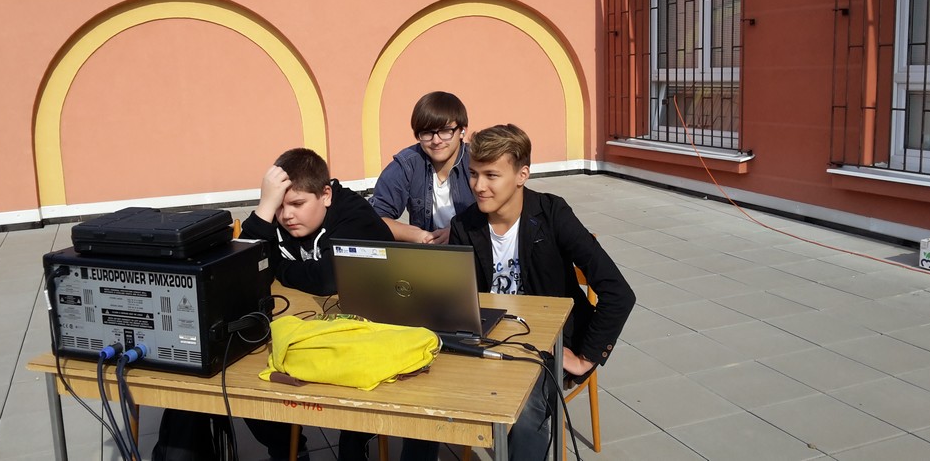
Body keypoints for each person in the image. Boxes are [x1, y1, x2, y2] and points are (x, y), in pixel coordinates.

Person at [449, 124, 636, 461]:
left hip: (545, 346)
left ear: (522, 175)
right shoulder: (464, 225)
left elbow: (618, 291)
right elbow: (456, 297)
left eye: (491, 175)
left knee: (525, 413)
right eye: (473, 174)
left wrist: (585, 357)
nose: (478, 186)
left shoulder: (551, 214)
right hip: (485, 341)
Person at [239, 147, 392, 461]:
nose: (287, 216)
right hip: (306, 325)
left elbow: (329, 279)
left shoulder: (354, 213)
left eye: (297, 204)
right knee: (244, 378)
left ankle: (354, 442)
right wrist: (264, 209)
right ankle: (288, 449)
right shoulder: (277, 215)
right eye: (279, 207)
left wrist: (278, 266)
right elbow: (241, 271)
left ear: (326, 195)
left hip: (371, 331)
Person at [370, 91, 474, 245]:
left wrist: (459, 232)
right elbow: (374, 217)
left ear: (462, 131)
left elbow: (501, 214)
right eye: (427, 133)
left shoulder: (477, 162)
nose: (436, 141)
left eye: (445, 131)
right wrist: (418, 236)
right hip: (427, 252)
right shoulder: (407, 164)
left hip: (474, 250)